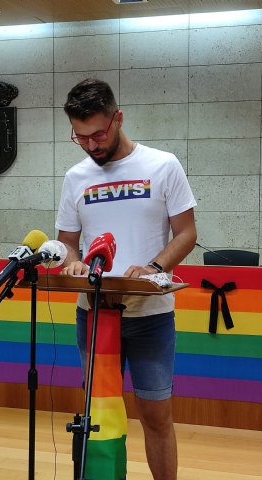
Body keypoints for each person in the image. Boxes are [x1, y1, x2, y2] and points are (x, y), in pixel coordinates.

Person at [55, 78, 197, 480]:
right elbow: (67, 243)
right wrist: (73, 263)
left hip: (151, 316)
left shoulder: (162, 165)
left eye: (99, 134)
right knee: (99, 417)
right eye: (81, 137)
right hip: (94, 315)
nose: (91, 145)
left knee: (156, 417)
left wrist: (154, 267)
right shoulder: (75, 177)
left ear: (117, 118)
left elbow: (187, 233)